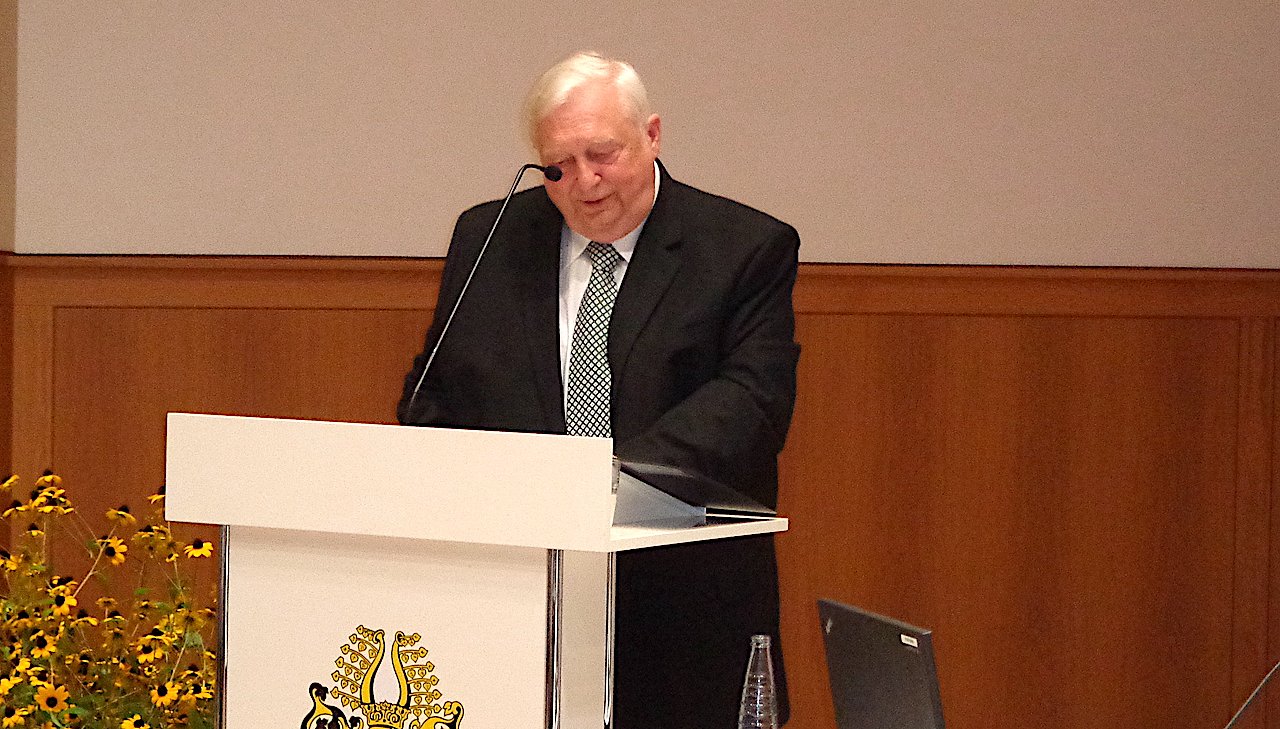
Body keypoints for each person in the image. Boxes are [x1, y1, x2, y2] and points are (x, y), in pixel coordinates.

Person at [397, 51, 799, 728]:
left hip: (683, 605)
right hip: (520, 598)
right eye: (558, 165)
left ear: (652, 135)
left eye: (602, 154)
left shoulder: (742, 248)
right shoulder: (489, 237)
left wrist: (601, 483)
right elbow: (434, 395)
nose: (584, 182)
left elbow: (752, 404)